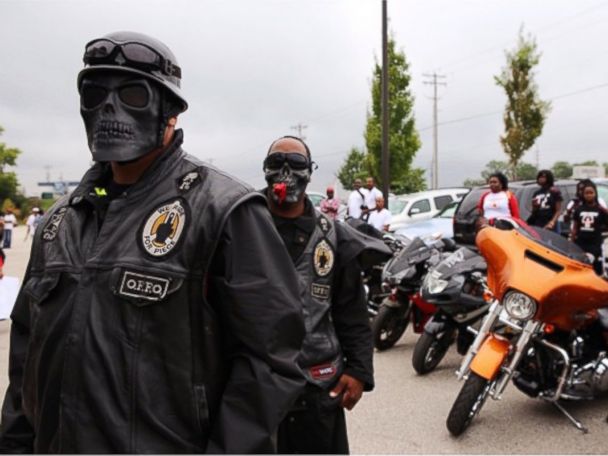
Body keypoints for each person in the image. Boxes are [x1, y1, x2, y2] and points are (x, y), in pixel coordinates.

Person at [0, 31, 306, 454]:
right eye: (94, 93)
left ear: (171, 113)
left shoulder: (224, 211)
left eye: (131, 94)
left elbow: (271, 362)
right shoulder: (58, 222)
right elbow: (26, 359)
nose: (109, 108)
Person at [262, 136, 391, 454]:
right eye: (277, 162)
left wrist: (359, 371)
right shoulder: (241, 223)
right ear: (265, 169)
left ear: (310, 172)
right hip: (252, 392)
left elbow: (352, 312)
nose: (286, 172)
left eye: (296, 164)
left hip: (318, 389)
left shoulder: (334, 237)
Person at [570, 181, 608, 275]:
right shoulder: (578, 209)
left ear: (595, 194)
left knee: (595, 266)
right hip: (581, 241)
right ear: (583, 194)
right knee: (580, 264)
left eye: (591, 193)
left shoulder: (601, 210)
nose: (589, 195)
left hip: (595, 243)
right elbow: (575, 226)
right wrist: (572, 239)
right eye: (586, 193)